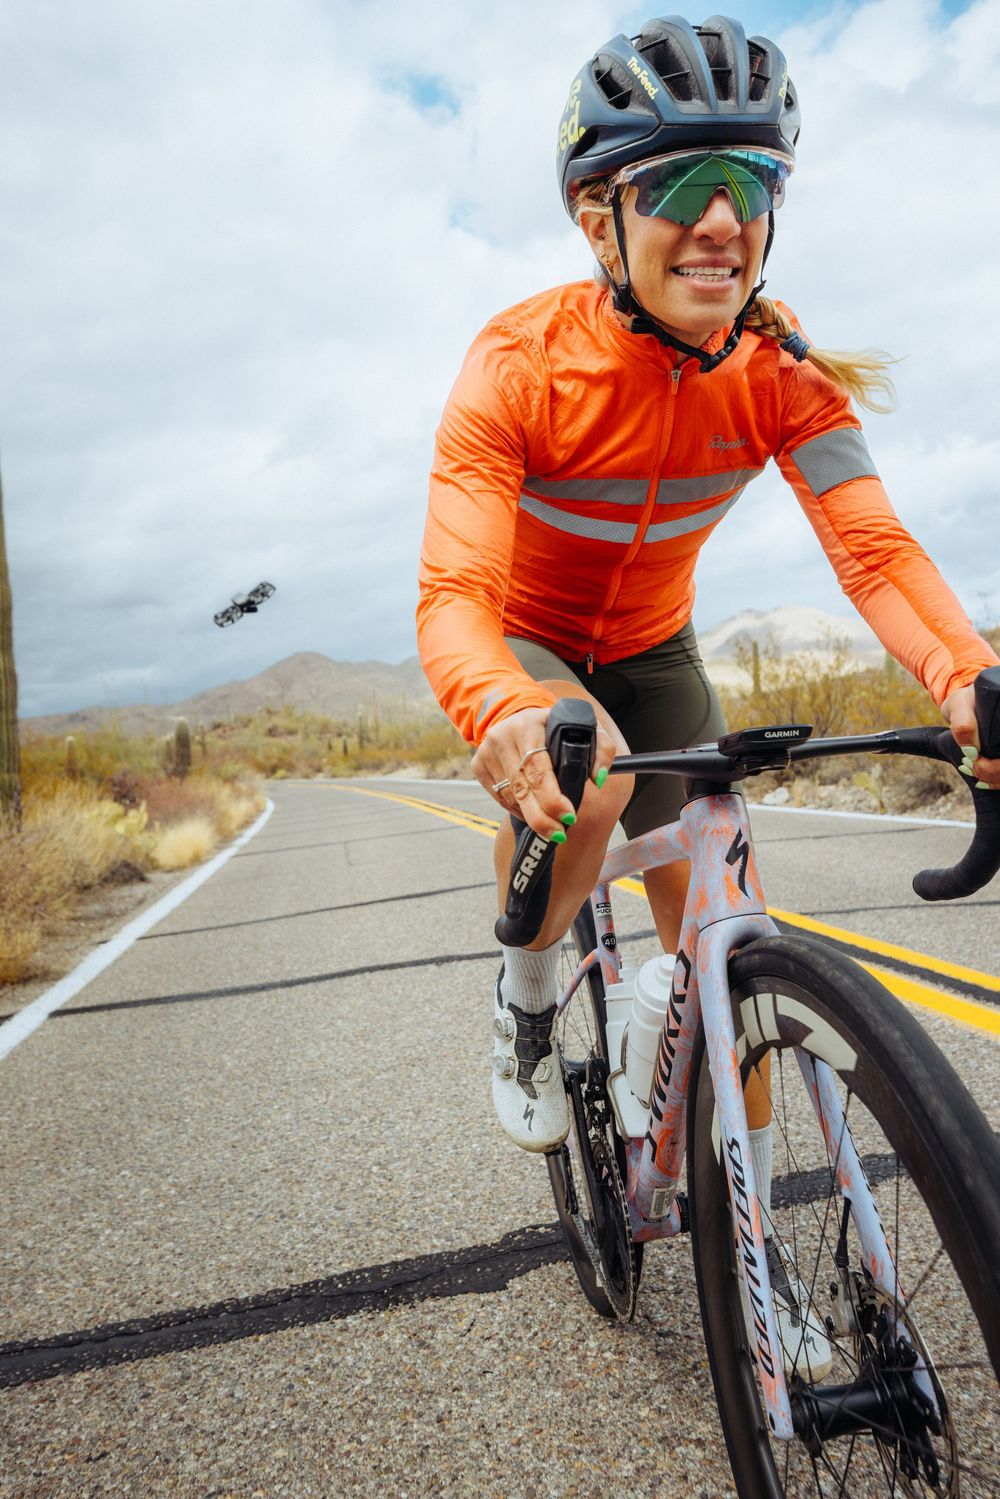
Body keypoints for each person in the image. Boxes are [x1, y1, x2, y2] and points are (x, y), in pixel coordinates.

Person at [417, 15, 1000, 1169]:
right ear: (601, 218)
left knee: (724, 942)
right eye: (685, 180)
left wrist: (966, 671)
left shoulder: (783, 373)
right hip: (531, 643)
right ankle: (527, 992)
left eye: (753, 178)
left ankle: (744, 1260)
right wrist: (500, 707)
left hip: (653, 646)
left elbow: (873, 551)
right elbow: (453, 592)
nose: (723, 218)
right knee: (581, 781)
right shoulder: (519, 362)